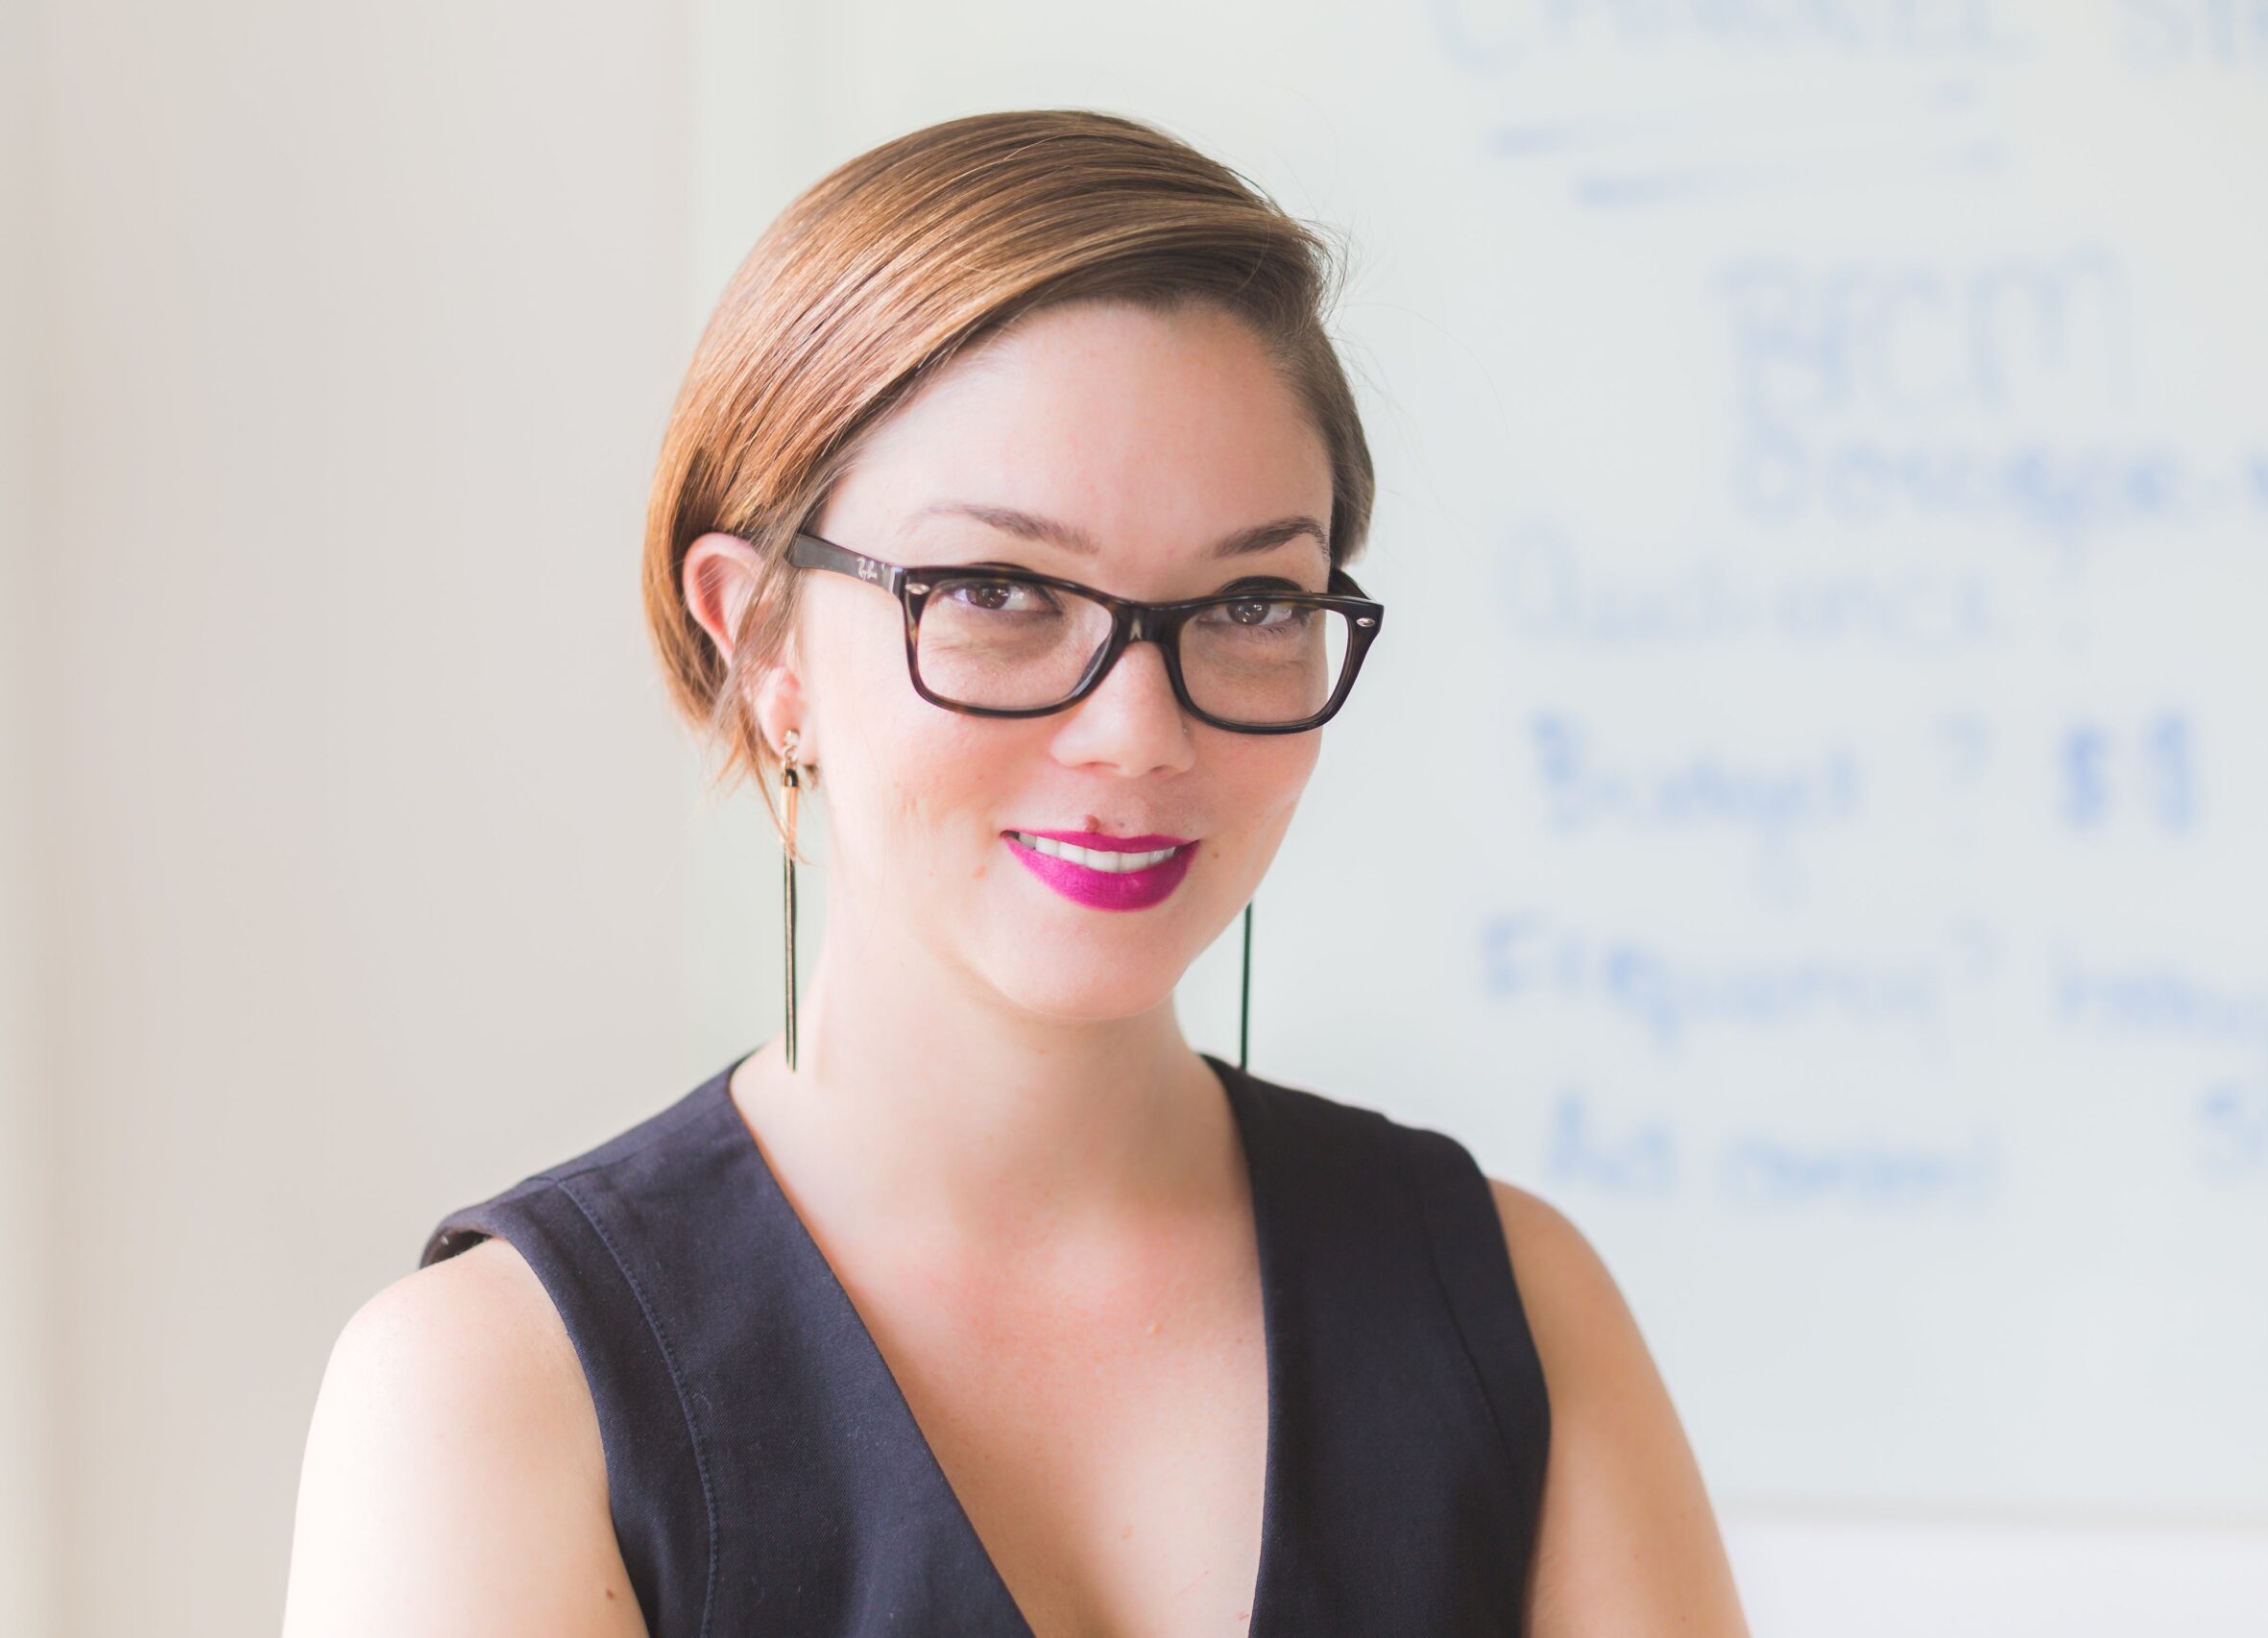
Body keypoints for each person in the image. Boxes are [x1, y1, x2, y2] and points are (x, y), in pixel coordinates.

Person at [280, 108, 1750, 1638]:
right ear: (764, 639)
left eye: (1253, 602)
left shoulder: (1518, 1313)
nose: (1139, 732)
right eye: (998, 589)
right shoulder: (493, 1391)